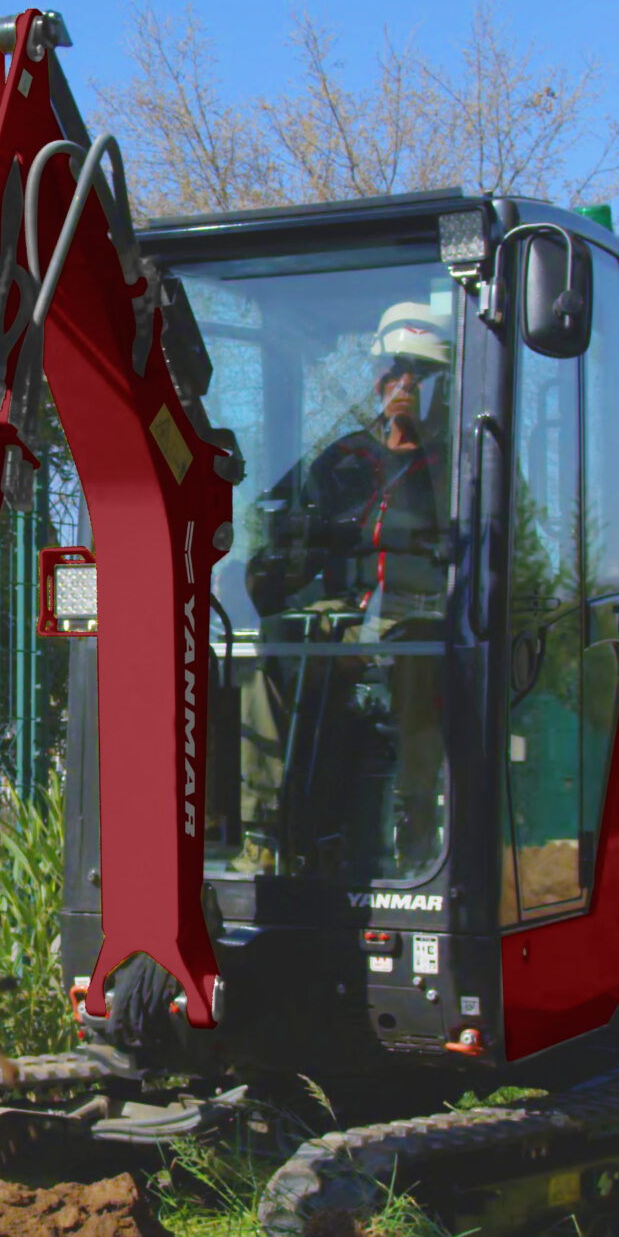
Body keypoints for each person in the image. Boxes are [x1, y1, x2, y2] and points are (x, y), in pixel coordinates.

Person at [233, 302, 454, 875]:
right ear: (376, 378)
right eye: (394, 370)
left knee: (418, 654)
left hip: (419, 614)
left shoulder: (461, 465)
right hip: (342, 615)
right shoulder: (342, 458)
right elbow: (297, 536)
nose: (404, 384)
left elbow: (495, 549)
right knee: (273, 646)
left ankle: (416, 829)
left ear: (443, 384)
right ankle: (265, 829)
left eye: (420, 373)